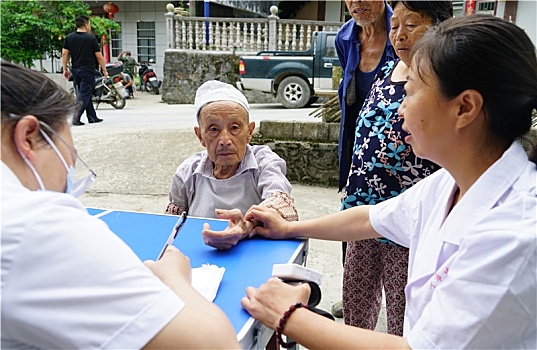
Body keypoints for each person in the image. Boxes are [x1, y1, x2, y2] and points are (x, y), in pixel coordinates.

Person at [242, 15, 537, 349]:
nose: (399, 111)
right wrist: (286, 228)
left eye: (409, 93)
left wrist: (289, 315)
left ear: (464, 107)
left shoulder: (515, 234)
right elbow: (372, 217)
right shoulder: (448, 184)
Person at [1, 62, 239, 349]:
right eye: (68, 155)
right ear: (28, 137)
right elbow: (217, 344)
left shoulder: (263, 164)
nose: (70, 169)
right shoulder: (35, 225)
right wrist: (174, 279)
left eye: (235, 128)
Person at [341, 0, 452, 334]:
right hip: (361, 212)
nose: (400, 35)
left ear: (438, 27)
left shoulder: (443, 79)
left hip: (407, 219)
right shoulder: (389, 68)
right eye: (395, 26)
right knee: (355, 302)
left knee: (405, 313)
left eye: (412, 24)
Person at [165, 80, 298, 250]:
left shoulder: (264, 162)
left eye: (234, 127)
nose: (225, 141)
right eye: (214, 129)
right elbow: (171, 225)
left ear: (249, 131)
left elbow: (281, 202)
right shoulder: (187, 173)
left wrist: (248, 223)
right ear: (200, 136)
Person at [332, 0, 396, 317]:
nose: (356, 2)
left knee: (397, 236)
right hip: (356, 150)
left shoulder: (404, 31)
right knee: (353, 226)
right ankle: (355, 295)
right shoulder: (345, 38)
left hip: (398, 156)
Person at [62, 15, 106, 126]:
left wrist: (65, 69)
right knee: (84, 94)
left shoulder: (69, 37)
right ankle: (76, 118)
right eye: (89, 24)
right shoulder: (91, 39)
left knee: (84, 93)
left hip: (75, 70)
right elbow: (99, 56)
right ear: (86, 24)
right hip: (87, 70)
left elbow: (64, 53)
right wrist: (104, 70)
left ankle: (92, 117)